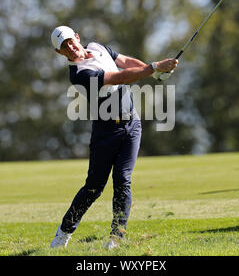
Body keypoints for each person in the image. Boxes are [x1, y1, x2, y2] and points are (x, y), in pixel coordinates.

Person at [49, 25, 178, 249]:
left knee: (123, 179)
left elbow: (126, 62)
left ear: (77, 37)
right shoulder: (79, 75)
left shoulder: (98, 47)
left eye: (70, 40)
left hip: (131, 124)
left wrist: (155, 73)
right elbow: (119, 77)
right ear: (60, 53)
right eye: (64, 46)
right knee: (94, 187)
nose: (70, 47)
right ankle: (63, 233)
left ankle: (117, 237)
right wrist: (154, 67)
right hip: (105, 133)